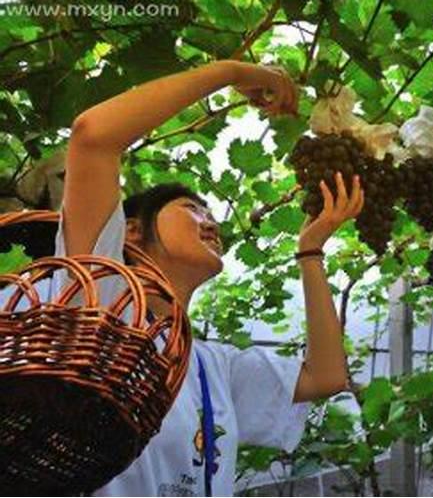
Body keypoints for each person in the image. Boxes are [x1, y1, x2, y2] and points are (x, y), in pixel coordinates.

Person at [58, 59, 364, 496]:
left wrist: (311, 250)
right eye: (192, 208)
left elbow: (325, 376)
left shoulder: (208, 367)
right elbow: (93, 137)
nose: (210, 222)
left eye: (210, 213)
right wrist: (236, 74)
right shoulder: (95, 299)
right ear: (131, 230)